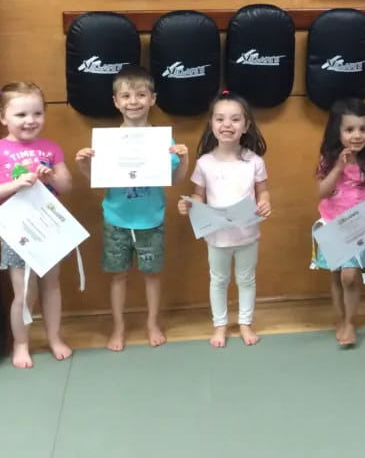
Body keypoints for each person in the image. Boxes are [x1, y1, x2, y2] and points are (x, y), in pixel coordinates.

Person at [74, 66, 189, 351]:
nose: (133, 101)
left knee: (152, 274)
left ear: (152, 99)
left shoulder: (165, 141)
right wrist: (83, 165)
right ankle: (119, 327)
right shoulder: (108, 143)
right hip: (116, 219)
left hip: (151, 218)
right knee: (118, 275)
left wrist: (184, 159)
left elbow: (173, 180)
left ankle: (152, 323)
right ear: (116, 101)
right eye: (126, 95)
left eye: (140, 94)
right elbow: (100, 182)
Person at [0, 81, 74, 369]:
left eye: (37, 113)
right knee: (24, 292)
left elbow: (67, 185)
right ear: (3, 117)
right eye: (21, 115)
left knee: (52, 286)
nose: (31, 121)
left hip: (50, 227)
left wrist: (52, 176)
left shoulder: (51, 148)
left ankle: (54, 337)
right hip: (16, 232)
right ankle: (21, 343)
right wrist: (15, 184)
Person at [177, 92, 271, 348]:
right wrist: (190, 205)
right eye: (220, 119)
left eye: (235, 119)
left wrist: (265, 202)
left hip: (247, 234)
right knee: (218, 280)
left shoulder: (254, 161)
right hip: (216, 236)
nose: (227, 125)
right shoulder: (205, 162)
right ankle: (219, 325)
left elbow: (262, 190)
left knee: (246, 279)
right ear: (211, 124)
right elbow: (198, 194)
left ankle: (244, 322)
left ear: (246, 125)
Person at [314, 97, 365, 347]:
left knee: (350, 274)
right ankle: (342, 318)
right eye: (349, 129)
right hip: (331, 225)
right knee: (336, 276)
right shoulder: (328, 159)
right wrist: (337, 168)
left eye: (363, 129)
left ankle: (351, 322)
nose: (357, 135)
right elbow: (322, 191)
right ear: (338, 131)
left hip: (359, 228)